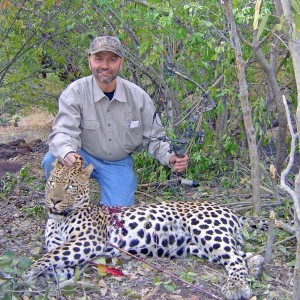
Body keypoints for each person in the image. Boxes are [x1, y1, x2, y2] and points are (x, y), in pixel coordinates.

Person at [42, 35, 189, 207]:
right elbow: (63, 132)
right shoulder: (74, 92)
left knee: (117, 217)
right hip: (82, 156)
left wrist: (170, 156)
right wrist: (67, 152)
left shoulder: (138, 97)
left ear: (121, 63)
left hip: (118, 163)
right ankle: (60, 207)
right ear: (89, 61)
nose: (104, 66)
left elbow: (155, 139)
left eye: (112, 60)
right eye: (98, 59)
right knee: (51, 158)